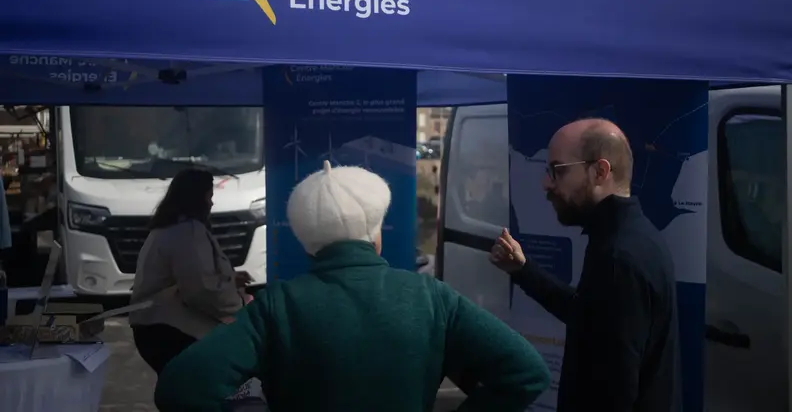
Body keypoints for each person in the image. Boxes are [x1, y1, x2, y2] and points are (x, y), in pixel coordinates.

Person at [154, 161, 551, 412]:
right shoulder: (432, 298)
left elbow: (179, 389)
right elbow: (527, 372)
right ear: (375, 234)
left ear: (307, 243)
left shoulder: (278, 306)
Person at [491, 118, 681, 412]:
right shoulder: (631, 238)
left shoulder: (619, 258)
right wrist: (523, 270)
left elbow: (612, 394)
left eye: (557, 171)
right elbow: (587, 315)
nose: (546, 183)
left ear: (599, 172)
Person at [129, 168, 253, 375]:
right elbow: (202, 289)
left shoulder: (166, 229)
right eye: (209, 197)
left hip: (152, 327)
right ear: (198, 199)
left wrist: (230, 280)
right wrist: (239, 306)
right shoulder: (187, 232)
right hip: (172, 330)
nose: (212, 204)